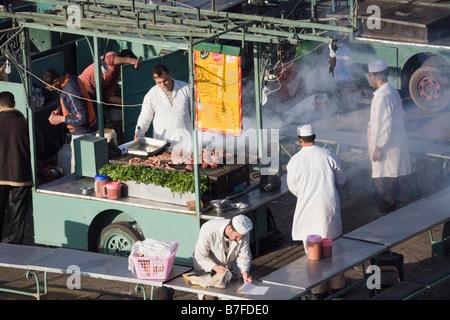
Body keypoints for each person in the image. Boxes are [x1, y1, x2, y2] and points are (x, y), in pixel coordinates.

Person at [286, 124, 346, 299]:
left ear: (299, 140)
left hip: (308, 212)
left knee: (313, 256)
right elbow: (341, 179)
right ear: (315, 136)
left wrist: (305, 194)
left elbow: (293, 188)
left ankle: (318, 291)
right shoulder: (328, 155)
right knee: (334, 251)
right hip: (329, 209)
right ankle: (338, 288)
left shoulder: (294, 161)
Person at [367, 60, 412, 213]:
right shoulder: (392, 91)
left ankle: (386, 220)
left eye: (370, 76)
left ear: (376, 77)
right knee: (393, 182)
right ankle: (392, 214)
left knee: (384, 187)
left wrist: (379, 147)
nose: (369, 78)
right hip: (393, 147)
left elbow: (386, 124)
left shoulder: (382, 96)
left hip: (386, 149)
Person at [40, 69, 98, 173]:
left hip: (83, 134)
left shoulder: (70, 91)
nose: (51, 90)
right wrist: (59, 110)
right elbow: (70, 104)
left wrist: (61, 119)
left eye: (51, 88)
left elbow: (82, 117)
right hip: (85, 130)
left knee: (78, 170)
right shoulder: (70, 78)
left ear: (56, 81)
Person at [193, 214, 253, 299]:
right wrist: (214, 267)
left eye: (241, 237)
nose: (239, 239)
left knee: (231, 296)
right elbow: (200, 256)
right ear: (229, 228)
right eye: (236, 236)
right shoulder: (208, 229)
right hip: (206, 267)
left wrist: (244, 272)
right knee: (209, 296)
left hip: (227, 271)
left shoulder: (243, 234)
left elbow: (243, 257)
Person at [0, 91, 32, 244]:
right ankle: (14, 244)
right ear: (13, 104)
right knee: (19, 211)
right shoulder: (25, 122)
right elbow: (40, 145)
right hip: (21, 175)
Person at [134, 64, 191, 143]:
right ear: (155, 81)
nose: (163, 84)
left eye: (165, 80)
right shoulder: (151, 95)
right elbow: (144, 117)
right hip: (163, 141)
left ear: (170, 74)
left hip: (186, 139)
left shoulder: (185, 88)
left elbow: (195, 112)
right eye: (159, 82)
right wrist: (139, 131)